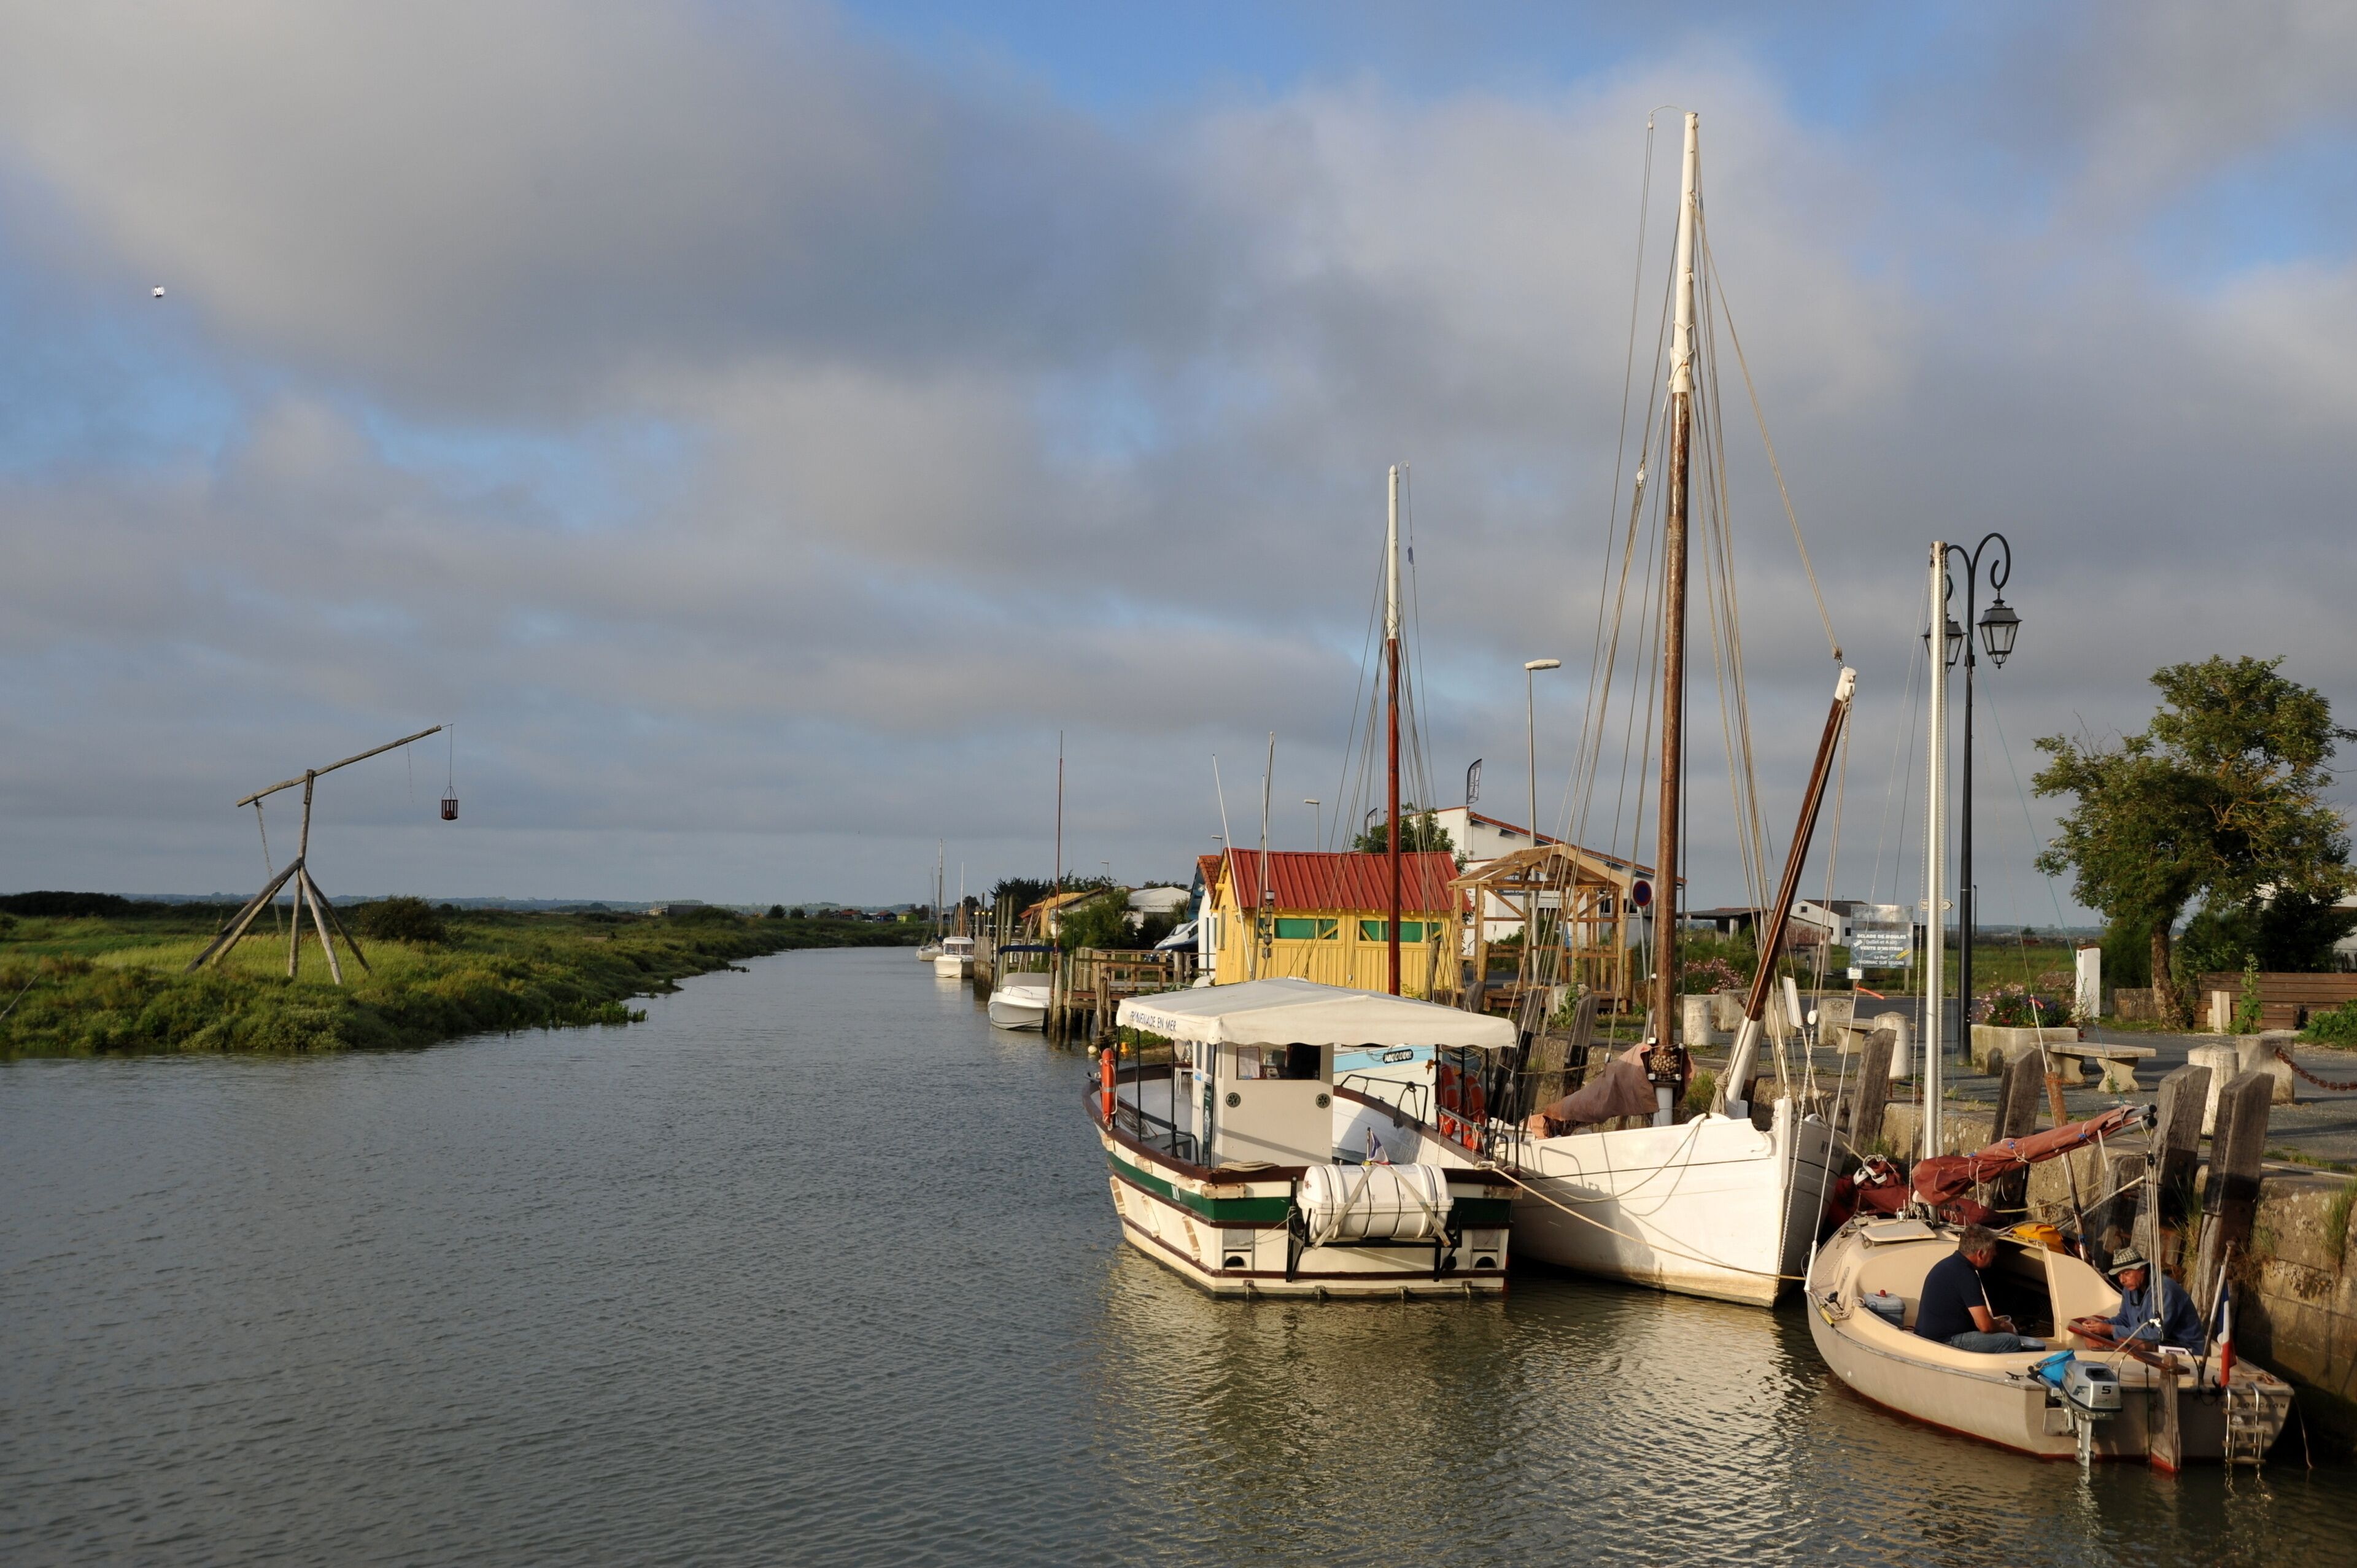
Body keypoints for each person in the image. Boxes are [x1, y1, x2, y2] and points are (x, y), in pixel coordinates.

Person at [1913, 1224, 2046, 1353]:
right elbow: (1985, 1326)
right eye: (1992, 1253)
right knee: (2010, 1341)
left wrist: (1995, 1323)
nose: (1994, 1256)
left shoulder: (1948, 1265)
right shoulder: (1966, 1275)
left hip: (1929, 1336)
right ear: (1981, 1254)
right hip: (1944, 1341)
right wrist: (2005, 1329)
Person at [2069, 1246, 2204, 1351]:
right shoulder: (2130, 1289)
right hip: (2153, 1340)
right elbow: (2124, 1319)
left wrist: (2110, 1329)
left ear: (2142, 1270)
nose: (2122, 1280)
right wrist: (2099, 1327)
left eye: (2126, 1273)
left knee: (2126, 1343)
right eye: (2119, 1275)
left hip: (2183, 1348)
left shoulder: (2165, 1291)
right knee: (2092, 1339)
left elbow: (2155, 1334)